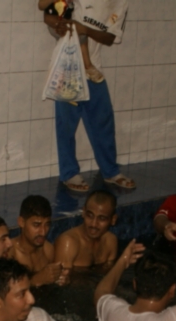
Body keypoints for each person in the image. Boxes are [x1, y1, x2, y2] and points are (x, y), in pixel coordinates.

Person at [40, 1, 135, 193]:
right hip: (68, 68)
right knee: (66, 126)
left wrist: (85, 29)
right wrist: (59, 26)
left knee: (104, 123)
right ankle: (69, 173)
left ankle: (110, 171)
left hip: (94, 69)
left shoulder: (120, 3)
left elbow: (110, 38)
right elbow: (48, 13)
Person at [6, 195, 68, 286]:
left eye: (47, 225)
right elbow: (3, 291)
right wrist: (36, 280)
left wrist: (61, 279)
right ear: (21, 222)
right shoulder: (9, 253)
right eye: (36, 225)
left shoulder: (48, 250)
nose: (43, 232)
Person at [54, 190, 119, 269]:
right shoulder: (69, 243)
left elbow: (111, 275)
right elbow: (61, 276)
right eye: (90, 216)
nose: (94, 224)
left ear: (113, 220)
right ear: (83, 212)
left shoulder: (110, 241)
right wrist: (123, 261)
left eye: (102, 218)